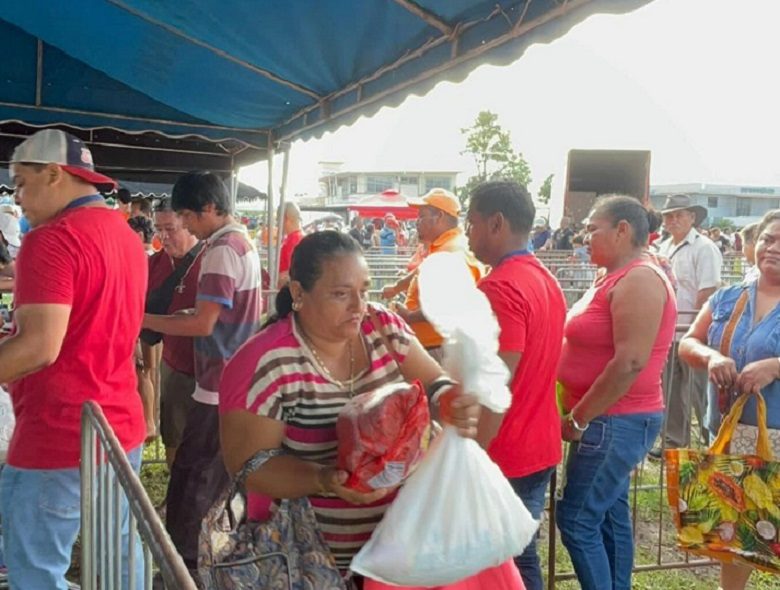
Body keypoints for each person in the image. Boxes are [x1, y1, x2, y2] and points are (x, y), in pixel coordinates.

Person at [217, 230, 519, 588]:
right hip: (309, 559)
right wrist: (324, 480)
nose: (358, 305)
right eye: (341, 294)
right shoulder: (265, 363)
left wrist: (448, 400)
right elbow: (249, 466)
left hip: (399, 549)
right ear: (298, 293)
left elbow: (434, 382)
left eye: (364, 290)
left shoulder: (380, 325)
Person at [0, 129, 147, 589]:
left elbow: (40, 346)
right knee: (123, 553)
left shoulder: (51, 240)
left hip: (59, 432)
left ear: (53, 174)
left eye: (22, 183)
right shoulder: (123, 235)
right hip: (119, 426)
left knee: (35, 569)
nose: (17, 196)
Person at [142, 170, 262, 574]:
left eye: (189, 217)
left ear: (211, 208)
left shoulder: (222, 249)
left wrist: (146, 319)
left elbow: (204, 323)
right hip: (230, 377)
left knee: (193, 481)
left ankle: (186, 567)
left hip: (217, 383)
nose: (186, 226)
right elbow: (211, 314)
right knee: (207, 479)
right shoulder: (240, 242)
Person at [555, 196, 677, 590]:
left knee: (576, 519)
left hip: (615, 419)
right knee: (608, 514)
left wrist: (579, 417)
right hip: (609, 419)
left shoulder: (639, 278)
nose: (584, 237)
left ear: (623, 230)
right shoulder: (611, 275)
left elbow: (630, 363)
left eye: (593, 229)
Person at [465, 181, 566, 590]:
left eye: (470, 224)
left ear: (496, 223)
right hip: (538, 444)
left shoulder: (500, 287)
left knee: (506, 565)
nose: (468, 234)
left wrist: (470, 455)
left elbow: (494, 383)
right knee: (520, 555)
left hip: (507, 451)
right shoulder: (544, 278)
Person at [678, 209, 780, 590]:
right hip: (727, 429)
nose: (773, 248)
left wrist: (775, 366)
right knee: (734, 531)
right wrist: (711, 357)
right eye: (769, 238)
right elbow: (688, 341)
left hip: (776, 432)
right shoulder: (728, 297)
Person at [653, 194, 722, 455]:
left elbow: (707, 291)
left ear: (692, 217)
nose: (673, 220)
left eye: (679, 214)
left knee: (699, 390)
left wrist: (696, 331)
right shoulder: (664, 247)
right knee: (670, 389)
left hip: (692, 332)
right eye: (669, 215)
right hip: (669, 331)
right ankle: (674, 442)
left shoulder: (704, 247)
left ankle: (712, 442)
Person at [382, 188, 483, 360]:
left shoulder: (452, 252)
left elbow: (449, 303)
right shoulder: (442, 247)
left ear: (439, 217)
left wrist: (410, 316)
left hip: (438, 348)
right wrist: (397, 287)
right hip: (432, 345)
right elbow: (419, 271)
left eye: (421, 216)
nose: (417, 222)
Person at [144, 197, 203, 468]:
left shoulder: (213, 259)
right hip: (174, 364)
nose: (163, 237)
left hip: (212, 368)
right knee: (174, 440)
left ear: (188, 224)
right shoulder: (153, 265)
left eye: (170, 229)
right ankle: (175, 497)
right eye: (159, 229)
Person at [277, 201, 304, 287]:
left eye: (278, 219)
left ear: (285, 219)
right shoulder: (300, 238)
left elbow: (291, 274)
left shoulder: (294, 241)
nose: (277, 224)